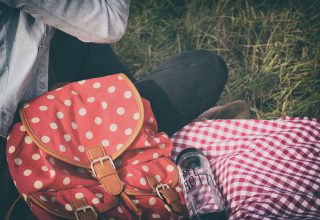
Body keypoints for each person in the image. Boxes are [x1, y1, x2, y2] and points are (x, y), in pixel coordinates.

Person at [0, 0, 228, 218]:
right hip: (15, 147)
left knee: (204, 68)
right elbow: (109, 20)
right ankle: (160, 137)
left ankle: (142, 134)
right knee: (203, 70)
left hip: (69, 102)